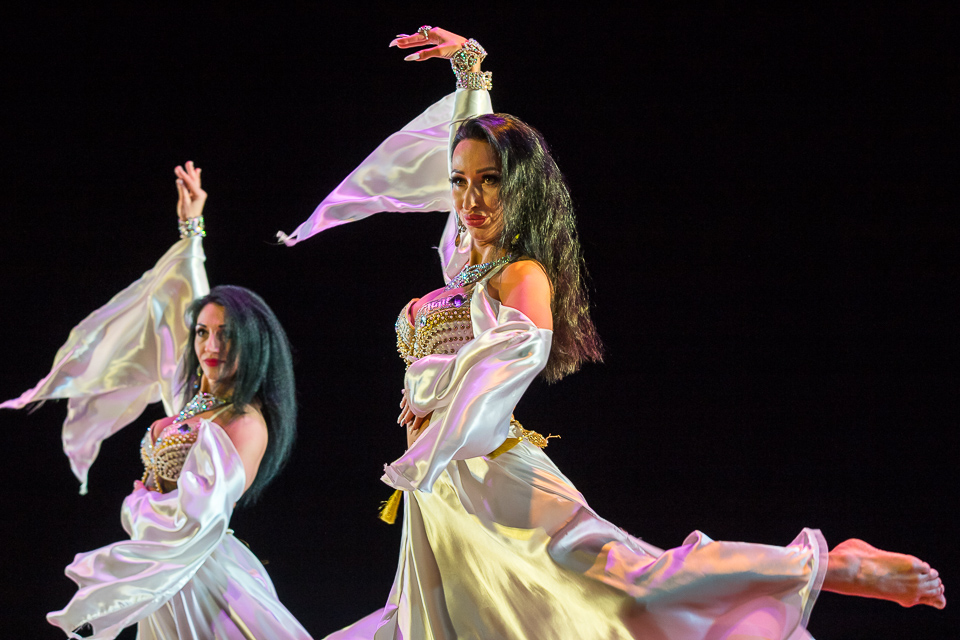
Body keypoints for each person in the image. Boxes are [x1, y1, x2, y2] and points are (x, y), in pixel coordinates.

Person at [280, 28, 945, 639]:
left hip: (495, 481)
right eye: (459, 182)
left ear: (521, 190)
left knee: (636, 590)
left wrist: (432, 408)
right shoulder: (465, 263)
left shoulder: (520, 276)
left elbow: (502, 372)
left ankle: (829, 564)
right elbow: (468, 154)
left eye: (489, 182)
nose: (470, 198)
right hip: (442, 497)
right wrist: (470, 73)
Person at [3, 162, 313, 639]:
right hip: (162, 575)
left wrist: (137, 510)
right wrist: (192, 229)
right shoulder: (190, 402)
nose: (211, 346)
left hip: (197, 576)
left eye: (227, 335)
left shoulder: (245, 423)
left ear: (252, 343)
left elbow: (198, 519)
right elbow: (185, 297)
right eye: (203, 333)